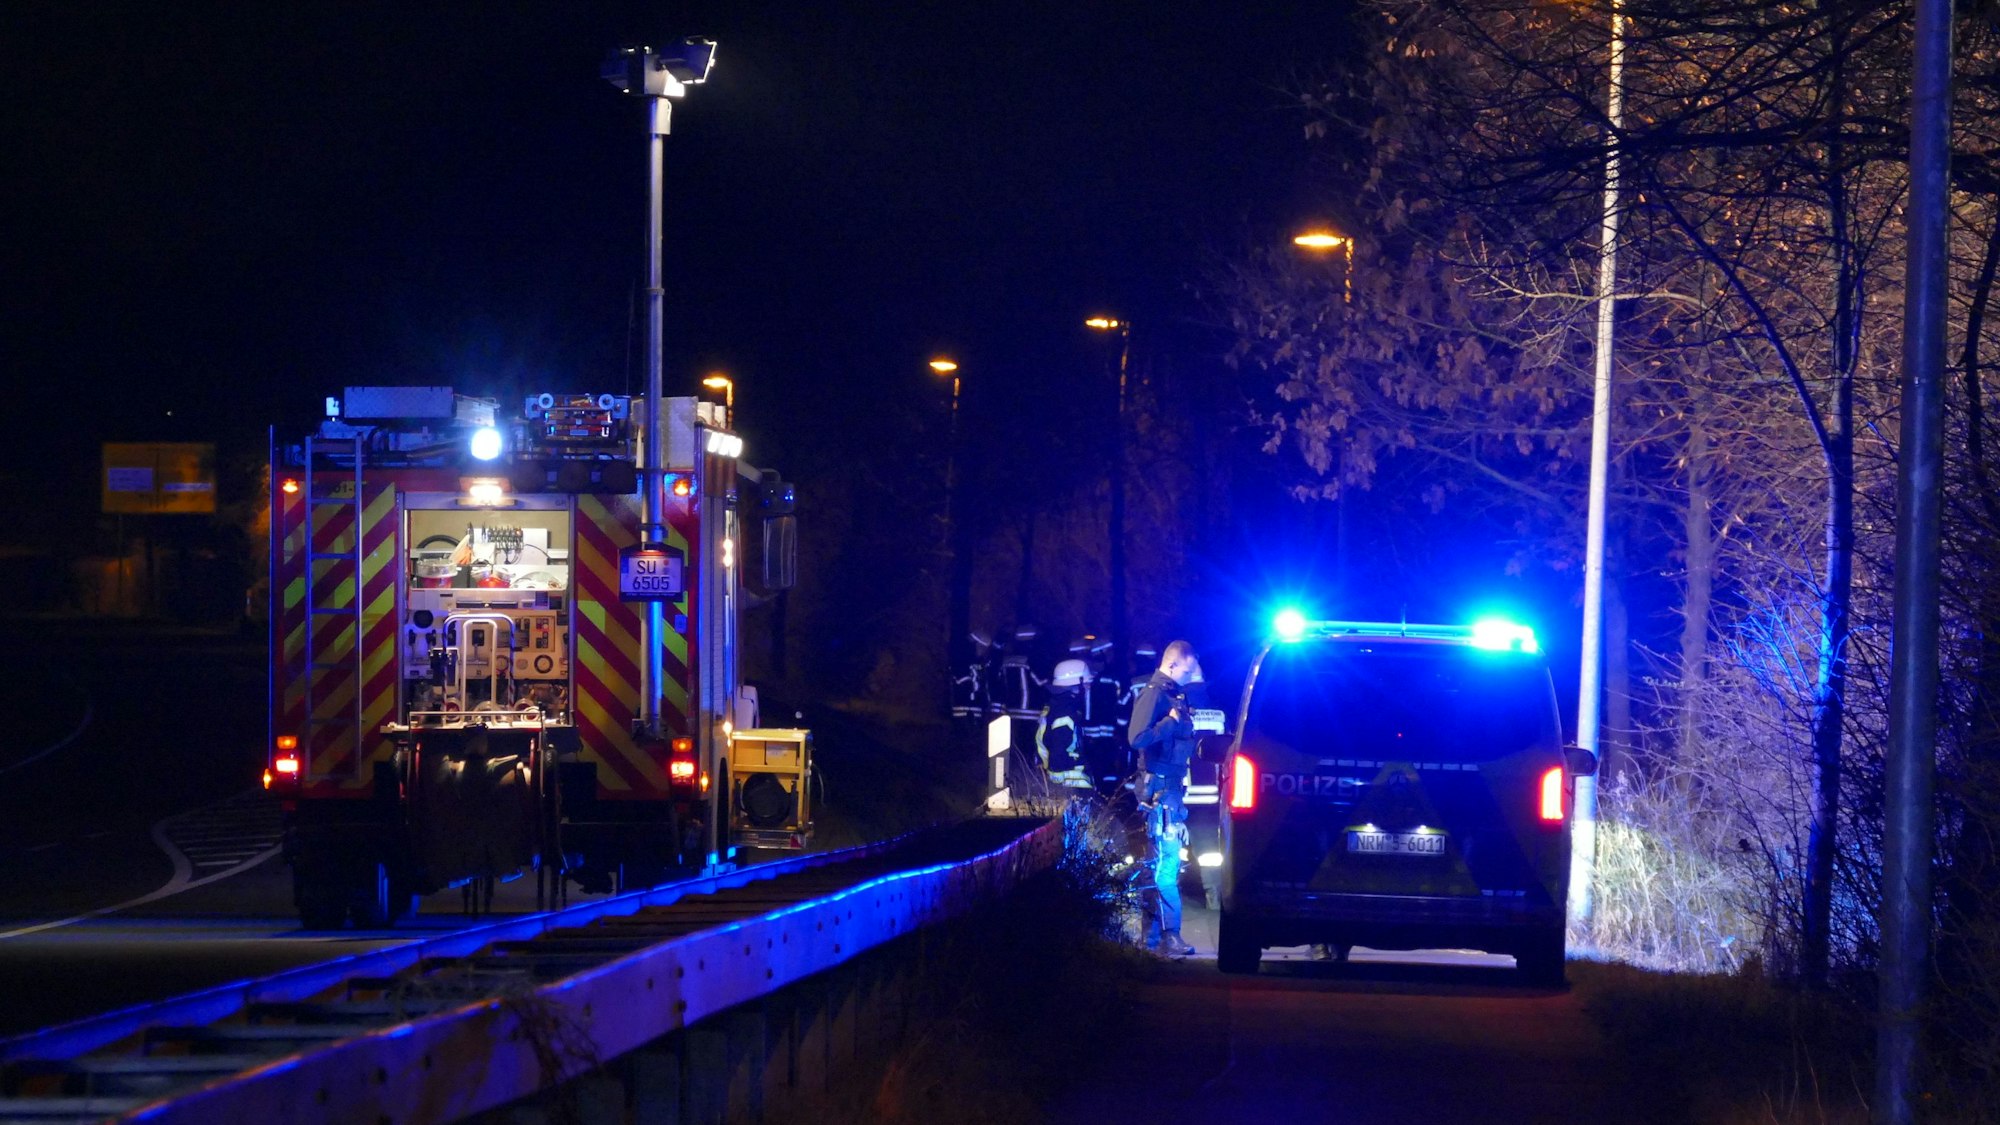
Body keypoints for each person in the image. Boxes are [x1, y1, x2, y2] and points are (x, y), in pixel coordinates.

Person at [1128, 640, 1200, 957]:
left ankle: (1154, 937)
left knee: (1162, 863)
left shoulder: (1173, 694)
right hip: (1159, 789)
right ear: (1172, 665)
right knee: (1165, 865)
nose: (1190, 673)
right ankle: (1168, 935)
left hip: (1170, 790)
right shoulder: (1155, 694)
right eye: (1187, 668)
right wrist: (1170, 723)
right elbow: (1137, 738)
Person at [1036, 659, 1096, 798]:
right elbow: (1060, 749)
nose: (1088, 686)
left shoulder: (1057, 705)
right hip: (1072, 781)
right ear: (1075, 683)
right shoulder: (1066, 711)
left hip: (1064, 777)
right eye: (1085, 683)